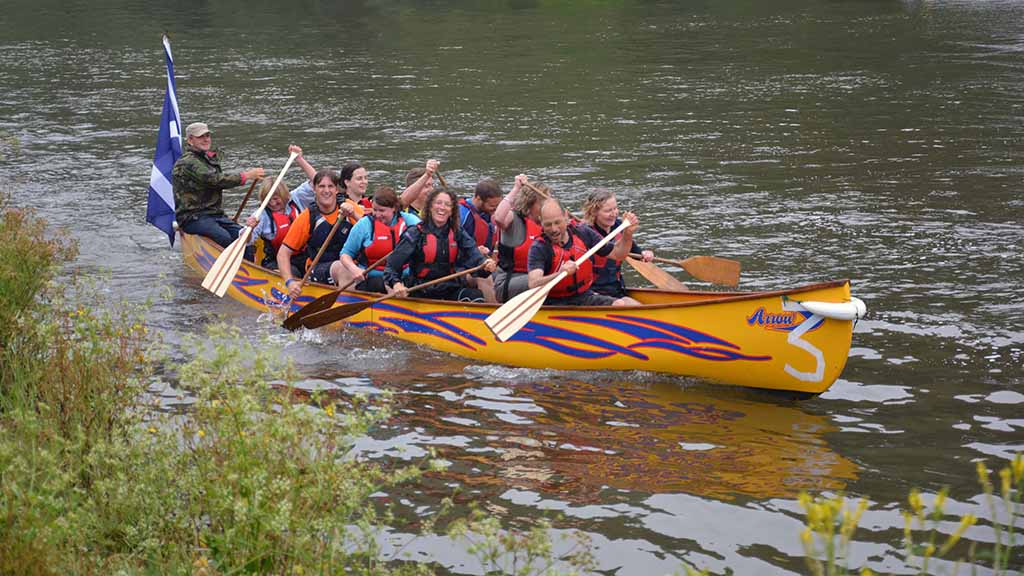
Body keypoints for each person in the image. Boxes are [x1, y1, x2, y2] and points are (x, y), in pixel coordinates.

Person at [384, 188, 497, 302]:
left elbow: (474, 256)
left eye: (447, 205)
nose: (442, 208)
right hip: (420, 290)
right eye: (438, 203)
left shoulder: (458, 233)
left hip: (450, 288)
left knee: (475, 297)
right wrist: (396, 284)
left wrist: (485, 264)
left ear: (452, 210)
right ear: (430, 207)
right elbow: (391, 267)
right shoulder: (415, 233)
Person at [527, 198, 641, 307]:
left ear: (566, 216)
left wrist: (627, 234)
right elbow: (534, 283)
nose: (554, 229)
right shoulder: (539, 247)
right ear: (541, 222)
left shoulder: (582, 233)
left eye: (557, 222)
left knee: (621, 304)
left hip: (583, 296)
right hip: (554, 302)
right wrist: (560, 273)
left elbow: (618, 254)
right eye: (548, 224)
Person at [172, 122, 264, 248]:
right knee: (224, 237)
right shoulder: (187, 162)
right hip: (192, 217)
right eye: (200, 137)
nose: (205, 139)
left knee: (244, 236)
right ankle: (232, 263)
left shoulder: (207, 158)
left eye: (207, 135)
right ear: (190, 140)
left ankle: (248, 263)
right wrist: (246, 176)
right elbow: (216, 180)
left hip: (214, 215)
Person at [277, 169, 358, 300]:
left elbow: (372, 231)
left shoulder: (350, 207)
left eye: (330, 186)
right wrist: (289, 282)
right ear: (314, 189)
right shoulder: (307, 217)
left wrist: (354, 215)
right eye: (321, 186)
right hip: (318, 269)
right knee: (344, 268)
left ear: (336, 190)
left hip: (354, 266)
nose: (326, 191)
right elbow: (283, 253)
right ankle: (344, 317)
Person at [337, 186, 421, 293]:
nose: (377, 214)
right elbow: (345, 254)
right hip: (373, 277)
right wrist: (354, 269)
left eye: (382, 211)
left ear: (394, 208)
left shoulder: (410, 221)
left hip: (405, 275)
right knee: (387, 285)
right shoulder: (364, 224)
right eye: (375, 210)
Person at [580, 188, 654, 299]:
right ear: (594, 212)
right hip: (593, 292)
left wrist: (645, 254)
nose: (614, 214)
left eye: (615, 208)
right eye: (608, 210)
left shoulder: (620, 226)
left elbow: (636, 252)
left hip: (616, 289)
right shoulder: (585, 232)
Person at [492, 174, 545, 302]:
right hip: (508, 281)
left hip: (534, 279)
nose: (545, 207)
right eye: (542, 203)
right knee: (550, 278)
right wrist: (516, 188)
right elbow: (498, 217)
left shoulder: (548, 224)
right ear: (530, 204)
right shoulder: (515, 220)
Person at [244, 177, 304, 275]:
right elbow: (246, 240)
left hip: (303, 257)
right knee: (293, 273)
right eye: (269, 200)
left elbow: (315, 182)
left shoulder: (296, 199)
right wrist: (250, 229)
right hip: (276, 262)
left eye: (276, 199)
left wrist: (299, 160)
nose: (273, 203)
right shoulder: (260, 215)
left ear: (284, 195)